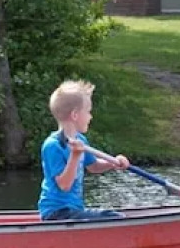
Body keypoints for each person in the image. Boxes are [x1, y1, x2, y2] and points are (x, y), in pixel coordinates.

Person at [37, 79, 131, 221]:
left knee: (111, 215)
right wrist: (74, 156)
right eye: (88, 112)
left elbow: (93, 166)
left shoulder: (80, 141)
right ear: (75, 115)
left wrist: (113, 163)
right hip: (56, 213)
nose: (90, 117)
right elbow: (64, 185)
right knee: (113, 218)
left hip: (74, 210)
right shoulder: (53, 146)